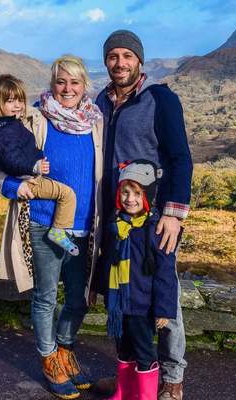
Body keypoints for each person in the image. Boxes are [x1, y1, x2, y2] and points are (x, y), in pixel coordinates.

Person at [0, 56, 104, 400]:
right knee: (46, 296)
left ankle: (65, 349)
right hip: (42, 222)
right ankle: (49, 358)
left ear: (84, 86)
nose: (67, 89)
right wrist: (12, 187)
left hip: (83, 228)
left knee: (80, 298)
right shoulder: (34, 118)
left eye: (74, 83)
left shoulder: (96, 122)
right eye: (61, 82)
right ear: (52, 84)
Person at [93, 30, 193, 400]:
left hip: (153, 220)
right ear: (106, 61)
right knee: (122, 294)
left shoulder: (160, 99)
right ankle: (130, 378)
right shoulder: (100, 102)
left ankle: (172, 377)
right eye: (113, 56)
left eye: (127, 56)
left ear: (139, 60)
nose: (120, 63)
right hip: (116, 220)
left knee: (162, 294)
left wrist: (173, 214)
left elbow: (180, 157)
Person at [94, 160, 179, 400]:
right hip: (119, 304)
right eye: (125, 192)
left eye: (137, 193)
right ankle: (124, 392)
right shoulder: (115, 225)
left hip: (142, 306)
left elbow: (165, 274)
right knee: (123, 349)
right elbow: (106, 260)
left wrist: (163, 310)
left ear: (148, 195)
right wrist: (95, 290)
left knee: (143, 353)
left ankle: (145, 397)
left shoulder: (156, 229)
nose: (130, 199)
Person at [0, 74, 80, 256]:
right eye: (61, 82)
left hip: (86, 223)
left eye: (20, 100)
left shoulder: (95, 118)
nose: (18, 105)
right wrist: (30, 171)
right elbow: (1, 161)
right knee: (66, 194)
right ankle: (59, 231)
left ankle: (59, 230)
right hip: (33, 195)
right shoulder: (15, 125)